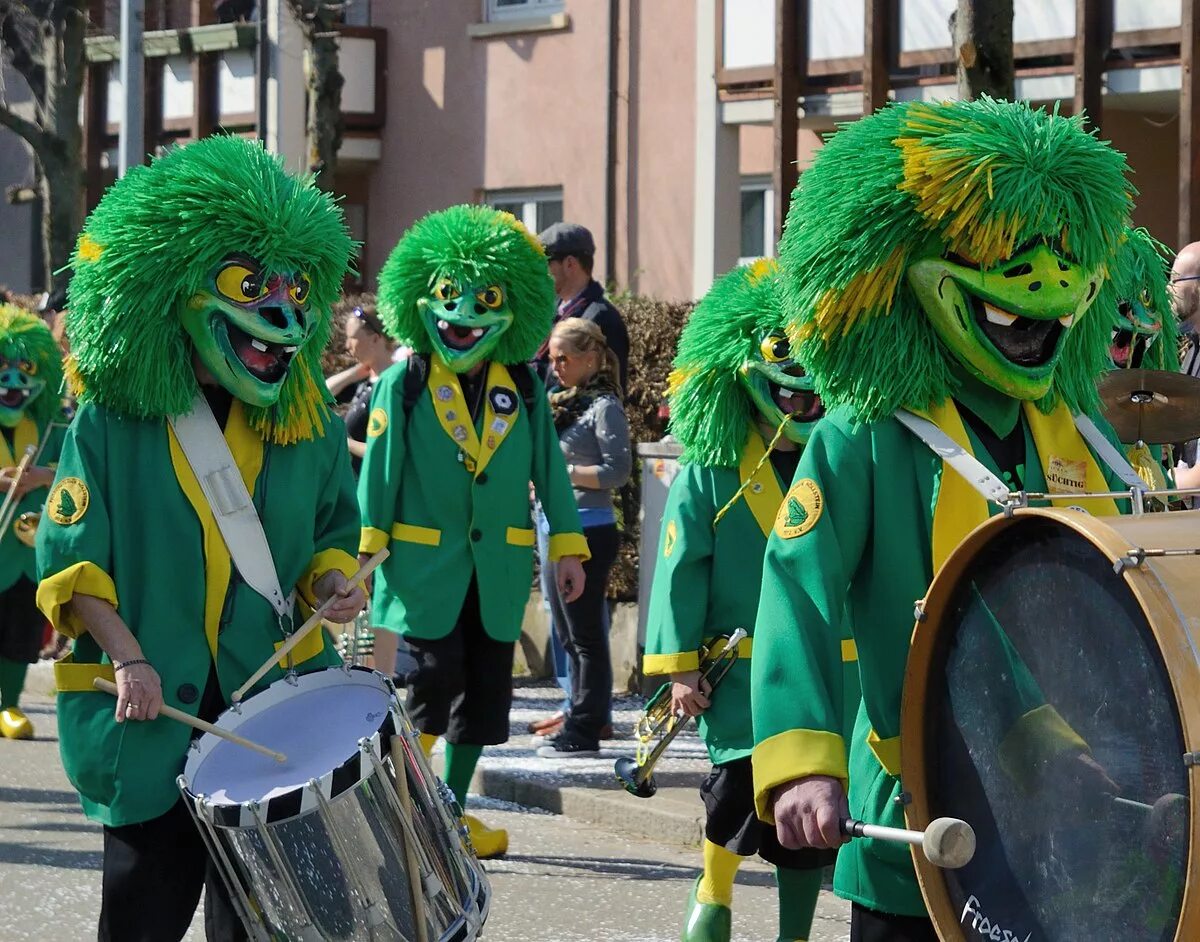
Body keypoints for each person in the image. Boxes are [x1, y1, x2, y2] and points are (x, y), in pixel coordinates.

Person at [749, 98, 1142, 941]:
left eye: (1060, 257)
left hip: (1075, 813)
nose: (1042, 285)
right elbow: (796, 587)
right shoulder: (867, 431)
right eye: (1006, 256)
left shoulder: (1082, 431)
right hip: (922, 806)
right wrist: (798, 766)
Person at [36, 136, 365, 942]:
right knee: (142, 920)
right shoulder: (113, 423)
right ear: (173, 289)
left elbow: (332, 532)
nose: (281, 310)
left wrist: (334, 584)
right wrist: (128, 658)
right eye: (253, 284)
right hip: (156, 721)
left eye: (293, 286)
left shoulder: (307, 420)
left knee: (259, 925)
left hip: (272, 718)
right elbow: (74, 563)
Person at [359, 204, 589, 859]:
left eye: (483, 300)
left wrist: (568, 547)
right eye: (448, 298)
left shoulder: (522, 383)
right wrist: (367, 550)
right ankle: (407, 808)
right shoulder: (404, 382)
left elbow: (549, 467)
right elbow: (379, 472)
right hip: (423, 573)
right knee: (429, 690)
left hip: (499, 574)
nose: (463, 316)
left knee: (484, 700)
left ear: (511, 306)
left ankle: (450, 818)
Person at [643, 260, 856, 942]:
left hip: (823, 675)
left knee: (805, 825)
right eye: (787, 386)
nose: (800, 398)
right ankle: (714, 893)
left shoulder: (846, 457)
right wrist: (677, 667)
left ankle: (795, 934)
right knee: (734, 803)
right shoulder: (711, 465)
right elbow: (680, 565)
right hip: (736, 679)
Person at [535, 317, 631, 758]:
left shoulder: (603, 405)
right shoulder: (559, 402)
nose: (555, 365)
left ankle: (588, 724)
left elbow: (618, 470)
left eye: (564, 357)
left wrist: (562, 474)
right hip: (553, 527)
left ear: (590, 358)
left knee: (585, 633)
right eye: (551, 357)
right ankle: (580, 712)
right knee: (567, 633)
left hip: (589, 528)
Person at [0, 306, 68, 740]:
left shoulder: (50, 426)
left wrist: (42, 476)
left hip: (25, 550)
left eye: (24, 368)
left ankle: (8, 705)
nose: (12, 381)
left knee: (20, 631)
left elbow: (79, 470)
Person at [534, 222, 630, 391]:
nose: (540, 271)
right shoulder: (551, 312)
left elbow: (610, 389)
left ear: (570, 264)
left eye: (546, 262)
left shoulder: (602, 318)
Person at [325, 298, 396, 476]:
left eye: (352, 339)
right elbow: (323, 394)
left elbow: (384, 452)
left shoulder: (395, 385)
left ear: (375, 339)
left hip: (372, 486)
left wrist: (343, 440)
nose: (348, 346)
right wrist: (352, 374)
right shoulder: (365, 378)